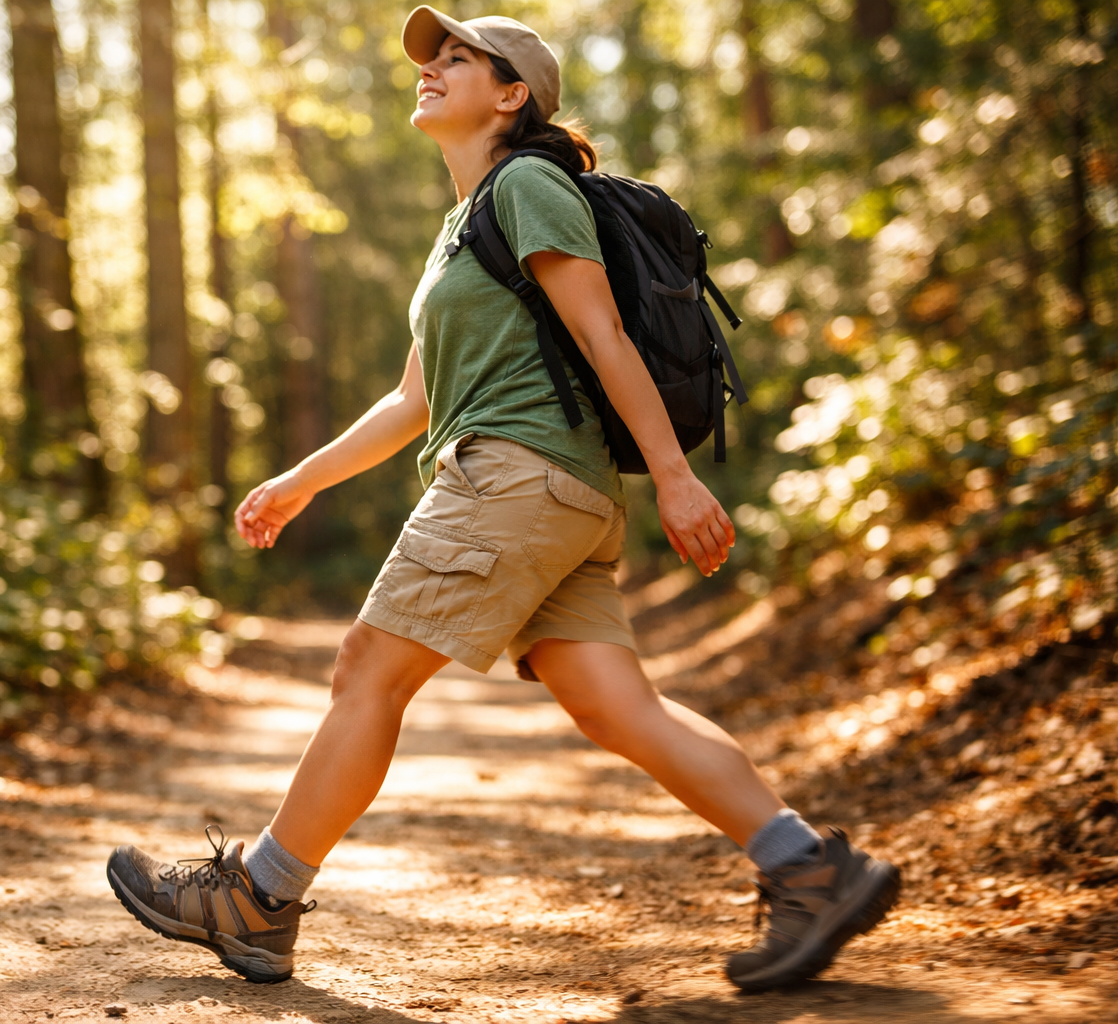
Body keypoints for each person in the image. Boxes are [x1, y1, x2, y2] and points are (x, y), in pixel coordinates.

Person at [106, 5, 900, 993]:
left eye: (456, 59)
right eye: (429, 59)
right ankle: (809, 867)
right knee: (617, 706)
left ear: (512, 92)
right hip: (557, 494)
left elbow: (607, 336)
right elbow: (412, 400)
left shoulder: (527, 184)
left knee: (368, 671)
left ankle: (258, 900)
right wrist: (301, 480)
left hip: (515, 479)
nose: (430, 70)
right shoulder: (465, 225)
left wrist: (678, 475)